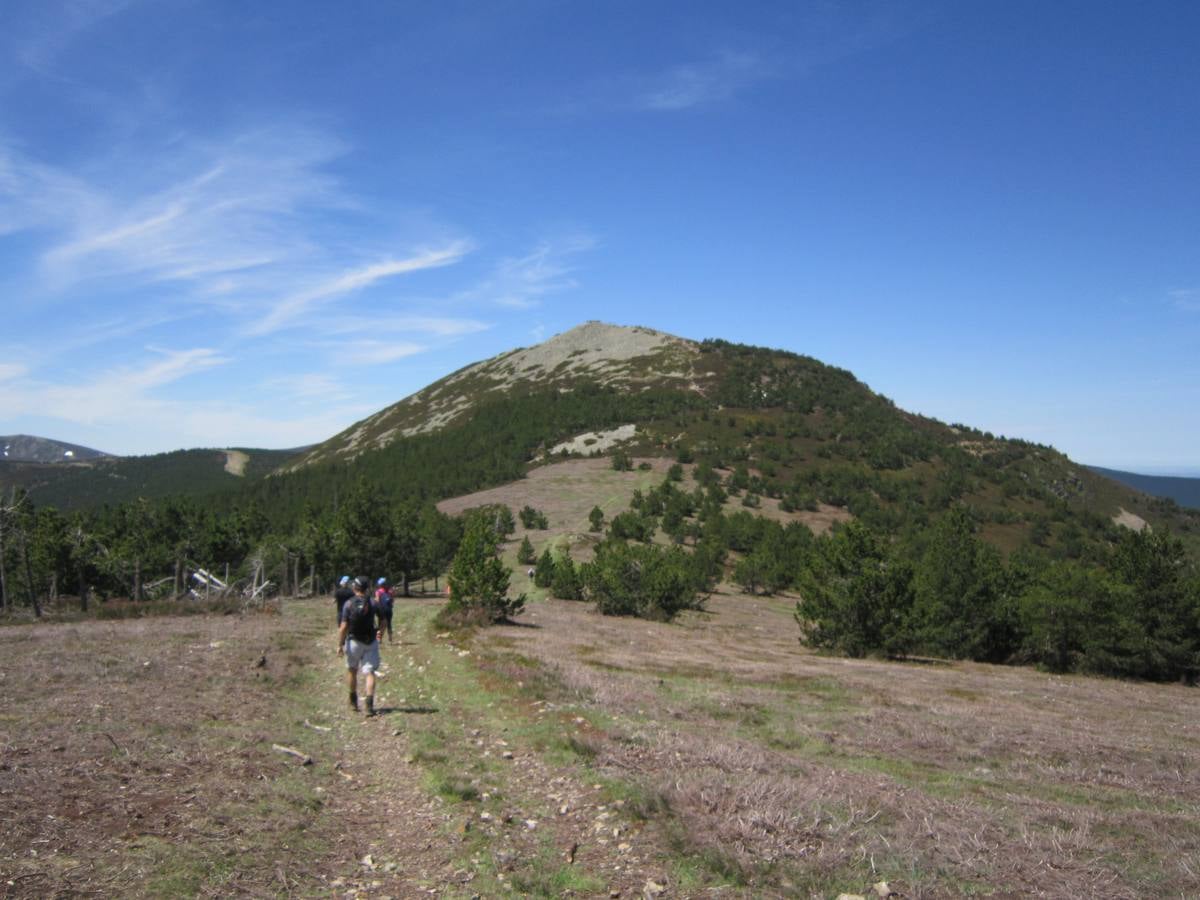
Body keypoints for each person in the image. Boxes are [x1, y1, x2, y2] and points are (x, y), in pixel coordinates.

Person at [337, 576, 383, 716]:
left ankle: (353, 702)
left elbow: (344, 626)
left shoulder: (348, 604)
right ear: (367, 588)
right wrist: (380, 631)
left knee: (352, 670)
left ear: (354, 587)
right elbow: (384, 620)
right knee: (369, 673)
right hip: (370, 641)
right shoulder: (373, 603)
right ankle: (369, 706)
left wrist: (340, 644)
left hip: (354, 641)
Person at [374, 577, 394, 643]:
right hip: (386, 610)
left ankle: (381, 639)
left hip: (383, 610)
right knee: (387, 624)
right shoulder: (389, 591)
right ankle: (388, 638)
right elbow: (392, 600)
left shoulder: (378, 591)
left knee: (381, 624)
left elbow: (377, 601)